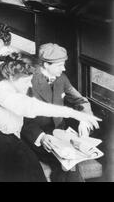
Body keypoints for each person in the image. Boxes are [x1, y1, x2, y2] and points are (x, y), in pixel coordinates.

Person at [0, 53, 100, 182]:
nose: (30, 85)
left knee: (28, 163)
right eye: (26, 81)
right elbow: (32, 107)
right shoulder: (1, 90)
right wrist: (74, 113)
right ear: (12, 78)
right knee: (23, 165)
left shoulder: (16, 88)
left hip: (5, 135)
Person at [21, 43, 95, 181]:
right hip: (36, 136)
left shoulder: (62, 78)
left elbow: (81, 101)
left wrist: (84, 119)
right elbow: (21, 118)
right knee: (66, 164)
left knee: (70, 161)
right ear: (45, 64)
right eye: (60, 65)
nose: (64, 68)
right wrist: (41, 137)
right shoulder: (27, 81)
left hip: (60, 134)